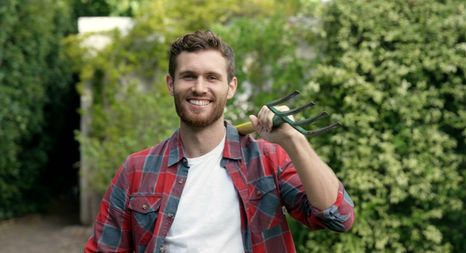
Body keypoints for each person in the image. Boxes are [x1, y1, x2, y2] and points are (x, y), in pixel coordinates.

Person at [84, 30, 354, 253]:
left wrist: (294, 141)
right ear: (170, 84)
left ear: (231, 87)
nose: (200, 87)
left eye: (212, 77)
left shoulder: (267, 160)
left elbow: (337, 215)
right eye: (189, 76)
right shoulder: (137, 171)